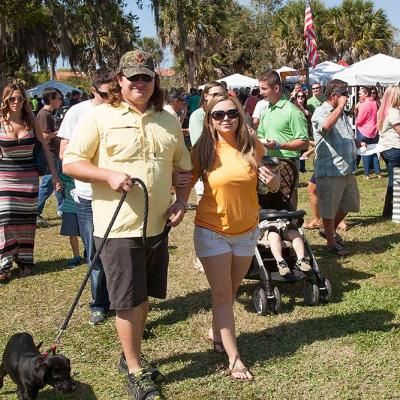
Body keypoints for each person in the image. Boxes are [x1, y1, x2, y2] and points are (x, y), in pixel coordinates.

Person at [63, 50, 192, 400]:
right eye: (132, 77)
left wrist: (181, 200)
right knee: (126, 301)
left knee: (143, 296)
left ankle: (130, 353)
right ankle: (134, 367)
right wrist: (107, 174)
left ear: (154, 81)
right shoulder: (99, 117)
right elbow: (71, 161)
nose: (139, 83)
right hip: (117, 227)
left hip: (156, 227)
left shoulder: (167, 118)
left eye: (145, 77)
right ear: (119, 80)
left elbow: (183, 168)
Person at [191, 94, 280, 381]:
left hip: (246, 231)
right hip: (212, 230)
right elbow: (183, 184)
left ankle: (217, 332)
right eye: (218, 115)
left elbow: (270, 182)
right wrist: (177, 202)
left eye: (231, 113)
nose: (226, 118)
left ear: (240, 115)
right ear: (210, 120)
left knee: (230, 291)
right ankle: (234, 358)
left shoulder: (252, 146)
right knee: (222, 294)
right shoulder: (203, 150)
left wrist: (273, 181)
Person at [58, 66, 114, 326]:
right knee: (95, 254)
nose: (111, 98)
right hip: (88, 197)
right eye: (105, 94)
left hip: (120, 196)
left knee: (123, 254)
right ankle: (99, 304)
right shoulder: (78, 113)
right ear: (93, 91)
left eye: (115, 92)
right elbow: (65, 155)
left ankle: (124, 303)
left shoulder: (122, 111)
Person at [0, 83, 61, 283]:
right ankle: (5, 263)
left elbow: (45, 150)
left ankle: (25, 261)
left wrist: (55, 176)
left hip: (29, 178)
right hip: (5, 178)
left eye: (20, 98)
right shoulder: (0, 122)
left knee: (26, 222)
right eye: (12, 99)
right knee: (5, 219)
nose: (16, 102)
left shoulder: (31, 121)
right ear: (6, 100)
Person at [311, 79, 360, 256]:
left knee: (349, 204)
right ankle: (331, 244)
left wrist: (354, 142)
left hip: (346, 167)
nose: (348, 97)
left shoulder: (342, 113)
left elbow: (343, 131)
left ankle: (328, 231)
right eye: (345, 94)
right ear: (334, 95)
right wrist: (339, 107)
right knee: (329, 207)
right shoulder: (321, 111)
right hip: (330, 168)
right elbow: (325, 127)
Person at [257, 69, 309, 207]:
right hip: (267, 162)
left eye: (263, 89)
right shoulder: (266, 110)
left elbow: (304, 142)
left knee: (288, 205)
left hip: (287, 163)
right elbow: (260, 135)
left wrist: (279, 145)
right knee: (268, 205)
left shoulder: (292, 111)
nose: (260, 92)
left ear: (276, 88)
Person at [36, 87, 64, 226]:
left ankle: (62, 208)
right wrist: (59, 132)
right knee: (48, 183)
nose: (61, 101)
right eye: (58, 98)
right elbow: (45, 135)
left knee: (58, 181)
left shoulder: (49, 114)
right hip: (49, 153)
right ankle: (35, 211)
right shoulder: (45, 114)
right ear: (51, 99)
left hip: (54, 152)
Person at [258, 210, 312, 276]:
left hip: (284, 225)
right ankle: (281, 262)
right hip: (267, 228)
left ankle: (301, 260)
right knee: (274, 235)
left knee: (295, 234)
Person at [376, 86, 400, 219]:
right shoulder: (394, 112)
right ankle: (393, 213)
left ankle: (388, 212)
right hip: (395, 148)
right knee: (396, 181)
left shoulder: (383, 111)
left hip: (386, 148)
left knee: (394, 180)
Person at [355, 86, 381, 179]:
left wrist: (356, 115)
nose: (359, 95)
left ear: (366, 94)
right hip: (374, 131)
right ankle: (378, 172)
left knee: (365, 152)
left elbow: (360, 119)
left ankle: (367, 174)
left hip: (363, 131)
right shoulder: (375, 103)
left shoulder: (363, 104)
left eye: (360, 93)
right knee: (374, 152)